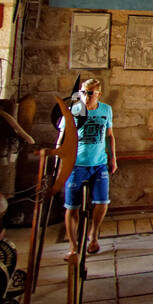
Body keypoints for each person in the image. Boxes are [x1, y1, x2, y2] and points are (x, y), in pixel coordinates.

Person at [62, 78, 116, 259]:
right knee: (72, 205)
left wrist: (112, 158)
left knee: (102, 202)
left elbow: (109, 136)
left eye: (90, 93)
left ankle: (93, 234)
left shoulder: (106, 110)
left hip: (99, 163)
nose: (86, 96)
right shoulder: (74, 111)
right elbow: (62, 138)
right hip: (76, 164)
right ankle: (73, 245)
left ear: (98, 94)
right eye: (84, 92)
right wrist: (59, 162)